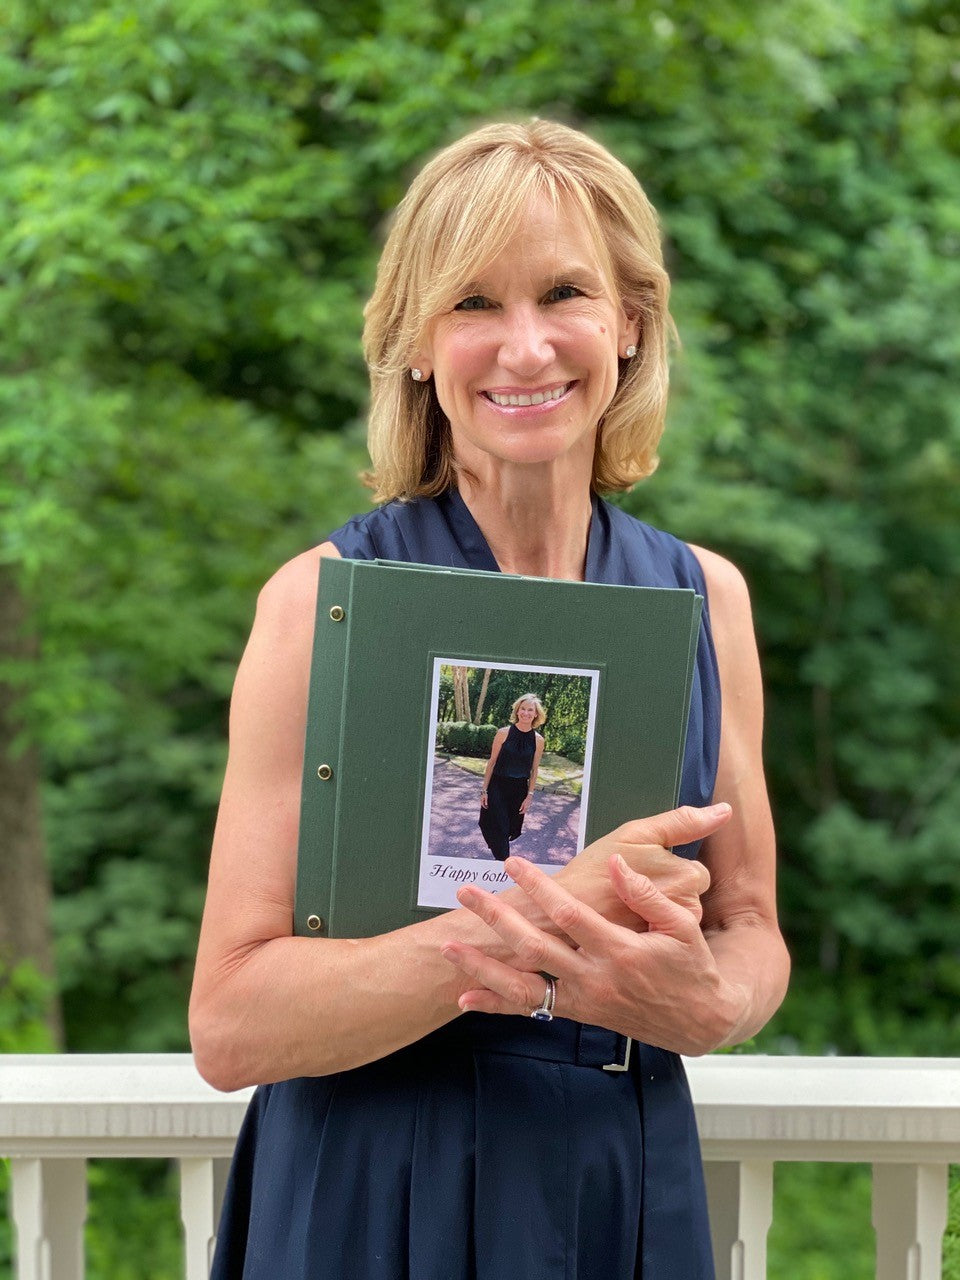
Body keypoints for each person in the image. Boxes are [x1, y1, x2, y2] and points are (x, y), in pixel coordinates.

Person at [190, 118, 790, 1279]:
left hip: (617, 1171)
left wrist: (714, 1005)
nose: (524, 348)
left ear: (629, 323)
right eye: (472, 303)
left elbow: (750, 926)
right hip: (370, 1184)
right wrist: (534, 928)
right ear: (416, 343)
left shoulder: (707, 599)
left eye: (563, 291)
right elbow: (230, 1023)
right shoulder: (318, 604)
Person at [479, 693, 546, 860]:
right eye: (522, 709)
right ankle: (504, 865)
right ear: (517, 711)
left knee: (507, 829)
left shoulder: (538, 740)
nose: (526, 713)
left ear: (536, 714)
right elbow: (492, 762)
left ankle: (500, 859)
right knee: (498, 826)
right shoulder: (503, 733)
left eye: (530, 710)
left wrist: (530, 796)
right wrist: (484, 790)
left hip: (519, 790)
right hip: (497, 786)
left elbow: (534, 770)